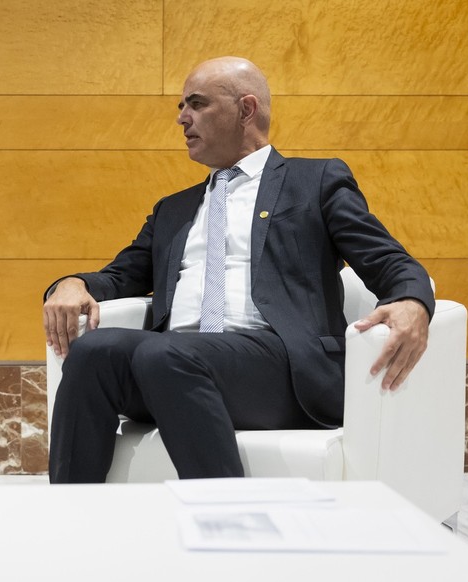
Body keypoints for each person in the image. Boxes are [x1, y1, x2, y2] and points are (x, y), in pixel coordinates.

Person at [42, 57, 434, 484]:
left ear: (246, 110)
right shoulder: (173, 208)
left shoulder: (315, 181)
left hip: (280, 370)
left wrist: (412, 300)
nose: (181, 119)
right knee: (92, 353)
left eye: (196, 104)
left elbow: (388, 260)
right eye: (181, 106)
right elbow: (120, 275)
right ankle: (72, 516)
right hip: (171, 365)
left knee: (163, 352)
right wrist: (71, 283)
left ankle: (231, 523)